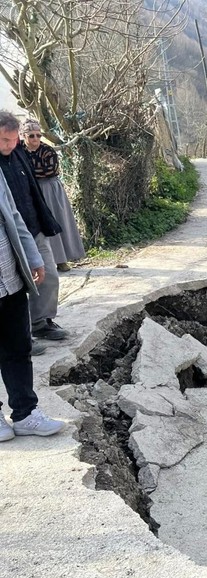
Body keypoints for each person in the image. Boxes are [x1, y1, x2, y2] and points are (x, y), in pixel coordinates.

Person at [0, 167, 66, 441]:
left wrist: (33, 257)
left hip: (9, 276)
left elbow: (13, 215)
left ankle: (25, 413)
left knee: (18, 347)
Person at [0, 111, 68, 346]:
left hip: (33, 227)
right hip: (7, 237)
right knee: (14, 287)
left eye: (12, 139)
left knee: (48, 275)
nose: (9, 144)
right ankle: (21, 337)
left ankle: (41, 323)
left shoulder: (18, 154)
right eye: (4, 140)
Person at [21, 119, 86, 271]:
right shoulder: (20, 151)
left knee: (55, 220)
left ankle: (61, 260)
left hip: (49, 188)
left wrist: (27, 174)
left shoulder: (48, 151)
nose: (35, 139)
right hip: (30, 190)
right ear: (24, 136)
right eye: (31, 136)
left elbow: (49, 171)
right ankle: (40, 263)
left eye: (38, 135)